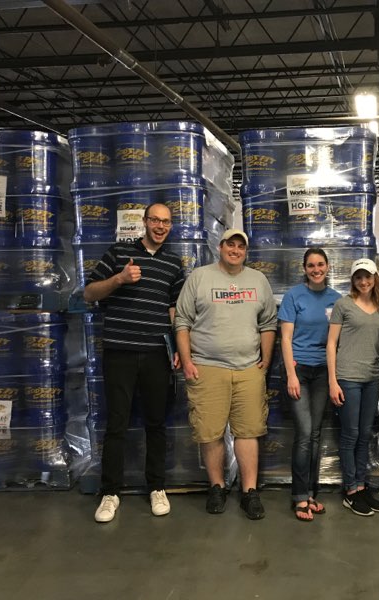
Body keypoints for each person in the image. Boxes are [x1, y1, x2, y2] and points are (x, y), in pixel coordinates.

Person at [85, 202, 185, 524]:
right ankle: (110, 493)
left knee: (156, 423)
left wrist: (179, 346)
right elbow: (89, 293)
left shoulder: (174, 263)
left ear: (170, 225)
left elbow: (175, 310)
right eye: (155, 220)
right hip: (120, 352)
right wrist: (119, 279)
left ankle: (156, 487)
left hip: (157, 354)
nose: (160, 226)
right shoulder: (119, 253)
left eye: (166, 221)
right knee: (117, 424)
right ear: (144, 222)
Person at [175, 228, 277, 520]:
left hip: (248, 368)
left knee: (249, 431)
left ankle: (249, 491)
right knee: (210, 433)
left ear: (246, 251)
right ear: (220, 247)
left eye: (240, 246)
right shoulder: (200, 277)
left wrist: (266, 360)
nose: (235, 250)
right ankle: (217, 487)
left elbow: (268, 323)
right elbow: (182, 321)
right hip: (207, 367)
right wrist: (187, 361)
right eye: (230, 245)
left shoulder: (258, 280)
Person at [278, 248, 341, 521]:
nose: (316, 269)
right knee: (304, 433)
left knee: (315, 434)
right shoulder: (294, 296)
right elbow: (285, 338)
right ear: (304, 268)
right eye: (311, 265)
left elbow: (336, 341)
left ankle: (311, 493)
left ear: (328, 267)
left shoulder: (336, 299)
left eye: (320, 264)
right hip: (299, 371)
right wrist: (291, 374)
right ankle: (299, 496)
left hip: (323, 372)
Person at [327, 257, 379, 517]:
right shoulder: (344, 305)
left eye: (367, 276)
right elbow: (331, 344)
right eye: (358, 277)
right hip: (348, 378)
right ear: (353, 280)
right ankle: (350, 490)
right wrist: (333, 381)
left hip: (372, 377)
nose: (363, 281)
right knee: (350, 434)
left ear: (375, 278)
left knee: (365, 434)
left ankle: (361, 485)